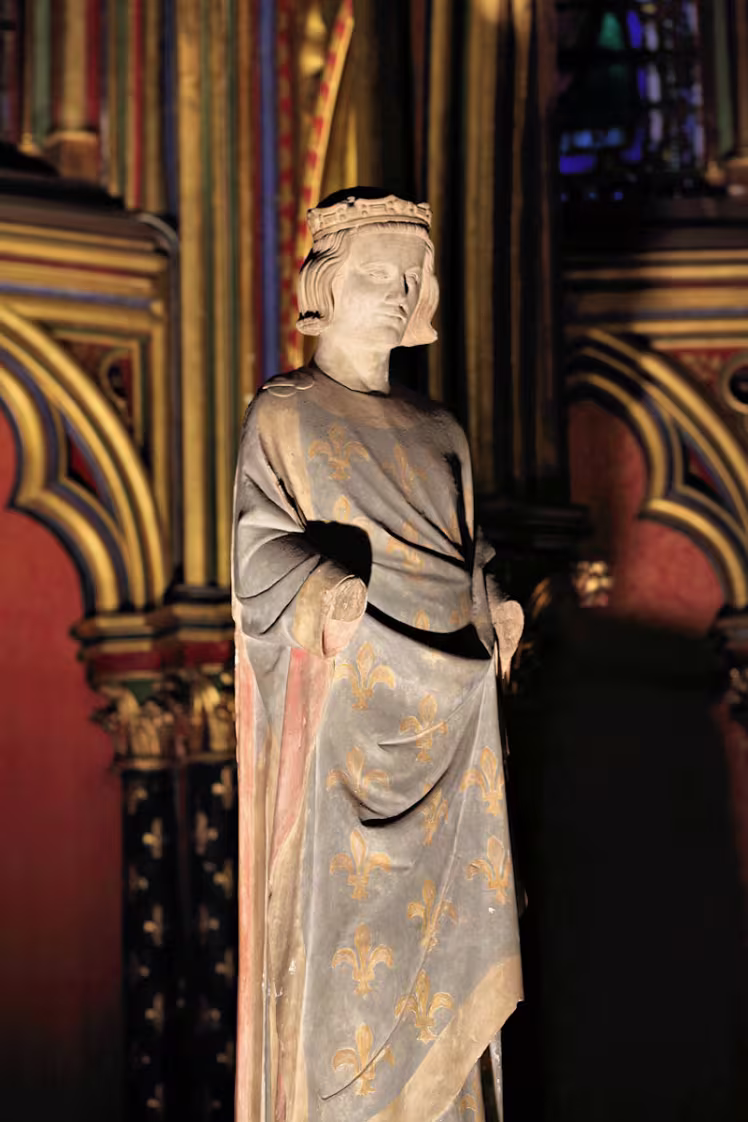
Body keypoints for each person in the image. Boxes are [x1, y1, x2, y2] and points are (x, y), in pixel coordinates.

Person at [232, 189, 523, 1122]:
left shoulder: (442, 431)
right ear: (325, 284)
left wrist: (493, 600)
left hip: (451, 737)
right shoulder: (286, 413)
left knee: (454, 957)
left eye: (411, 277)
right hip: (348, 736)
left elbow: (464, 553)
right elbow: (257, 551)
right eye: (375, 275)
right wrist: (321, 590)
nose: (397, 295)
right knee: (344, 968)